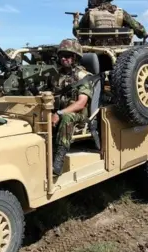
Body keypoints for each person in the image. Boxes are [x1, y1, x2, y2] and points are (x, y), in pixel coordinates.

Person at [51, 38, 100, 176]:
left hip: (79, 115)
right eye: (62, 56)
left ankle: (58, 161)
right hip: (59, 110)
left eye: (67, 56)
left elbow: (81, 103)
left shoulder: (82, 76)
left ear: (75, 58)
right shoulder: (56, 75)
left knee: (67, 117)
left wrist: (59, 113)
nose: (64, 59)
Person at [72, 0, 148, 45]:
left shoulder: (89, 14)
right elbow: (141, 32)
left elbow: (76, 32)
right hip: (120, 54)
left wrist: (76, 19)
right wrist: (145, 34)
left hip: (94, 52)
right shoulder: (121, 13)